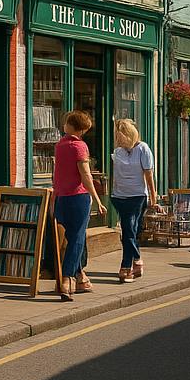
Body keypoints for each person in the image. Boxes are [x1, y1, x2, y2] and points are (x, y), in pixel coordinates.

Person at [53, 110, 106, 300]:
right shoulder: (80, 146)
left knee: (74, 238)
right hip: (78, 198)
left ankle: (81, 277)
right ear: (82, 129)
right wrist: (98, 200)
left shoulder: (59, 145)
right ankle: (67, 279)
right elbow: (86, 176)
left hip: (61, 199)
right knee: (77, 239)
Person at [110, 118, 157, 283]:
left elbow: (148, 174)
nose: (118, 139)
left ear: (129, 135)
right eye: (117, 136)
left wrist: (153, 197)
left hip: (137, 196)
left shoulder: (143, 149)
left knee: (128, 230)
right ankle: (136, 262)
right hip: (118, 196)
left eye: (120, 135)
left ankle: (126, 267)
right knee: (130, 231)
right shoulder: (118, 151)